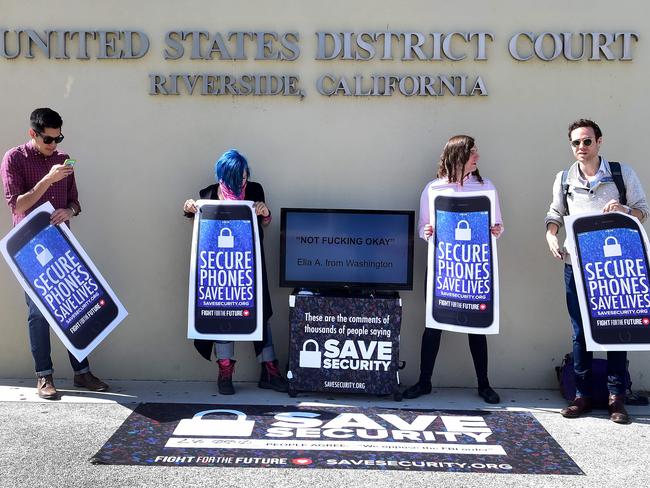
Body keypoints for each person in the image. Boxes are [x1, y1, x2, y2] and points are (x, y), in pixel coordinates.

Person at [1, 108, 109, 399]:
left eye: (58, 138)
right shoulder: (14, 158)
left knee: (75, 306)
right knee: (38, 313)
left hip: (62, 245)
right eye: (48, 139)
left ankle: (82, 372)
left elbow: (76, 202)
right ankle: (44, 376)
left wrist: (68, 210)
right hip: (30, 248)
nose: (54, 145)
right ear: (33, 134)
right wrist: (47, 180)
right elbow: (18, 206)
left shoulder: (63, 160)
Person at [545, 119, 649, 424]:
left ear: (599, 142)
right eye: (576, 143)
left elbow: (643, 210)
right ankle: (582, 395)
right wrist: (551, 235)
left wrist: (624, 209)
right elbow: (555, 212)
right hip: (575, 264)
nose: (581, 148)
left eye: (587, 141)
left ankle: (617, 397)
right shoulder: (563, 178)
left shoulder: (621, 173)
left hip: (615, 268)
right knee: (580, 333)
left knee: (618, 330)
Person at [403, 135, 503, 403]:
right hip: (442, 269)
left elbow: (497, 226)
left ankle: (484, 384)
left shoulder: (486, 187)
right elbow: (424, 228)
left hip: (474, 269)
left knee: (478, 327)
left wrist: (496, 230)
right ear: (458, 155)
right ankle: (424, 382)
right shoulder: (433, 189)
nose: (477, 157)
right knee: (433, 325)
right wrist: (426, 232)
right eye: (473, 152)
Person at [183, 149, 287, 395]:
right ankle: (225, 369)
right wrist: (189, 207)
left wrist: (264, 211)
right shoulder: (208, 194)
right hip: (220, 268)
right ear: (224, 176)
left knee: (260, 313)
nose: (242, 181)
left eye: (244, 176)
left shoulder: (254, 190)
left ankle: (269, 370)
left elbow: (266, 220)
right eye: (236, 177)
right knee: (220, 313)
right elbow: (194, 221)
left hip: (249, 265)